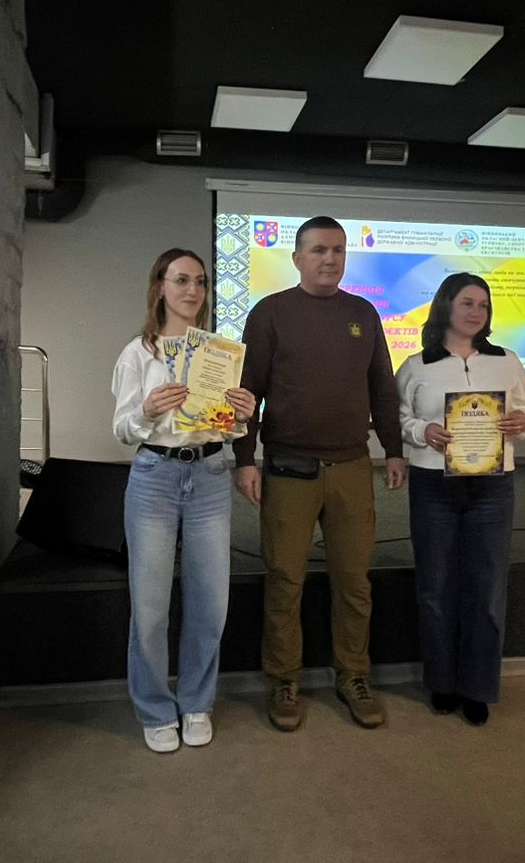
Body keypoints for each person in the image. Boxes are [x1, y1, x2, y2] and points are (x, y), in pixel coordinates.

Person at [233, 216, 407, 731]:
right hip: (289, 469)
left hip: (352, 467)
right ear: (297, 258)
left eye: (338, 250)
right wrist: (244, 459)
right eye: (318, 250)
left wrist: (394, 450)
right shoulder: (270, 313)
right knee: (285, 581)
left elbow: (382, 388)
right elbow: (247, 391)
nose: (330, 259)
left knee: (354, 582)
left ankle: (353, 676)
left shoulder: (363, 313)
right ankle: (283, 680)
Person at [110, 248, 256, 753]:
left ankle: (196, 702)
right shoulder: (138, 354)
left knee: (210, 603)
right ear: (160, 287)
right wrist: (148, 411)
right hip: (155, 476)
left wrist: (242, 414)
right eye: (181, 280)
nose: (193, 290)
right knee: (150, 607)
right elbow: (122, 429)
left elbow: (225, 428)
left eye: (200, 281)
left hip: (210, 474)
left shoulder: (219, 354)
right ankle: (154, 708)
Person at [395, 272, 525, 725]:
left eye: (484, 304)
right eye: (467, 303)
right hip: (433, 484)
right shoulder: (417, 365)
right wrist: (423, 430)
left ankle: (478, 687)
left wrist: (524, 420)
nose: (477, 312)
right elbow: (396, 418)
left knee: (487, 589)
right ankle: (442, 682)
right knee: (435, 587)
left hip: (492, 487)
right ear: (445, 306)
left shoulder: (506, 361)